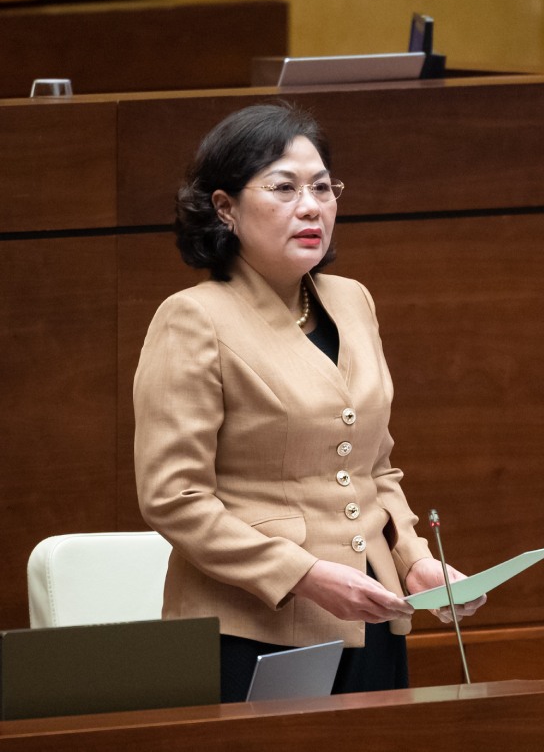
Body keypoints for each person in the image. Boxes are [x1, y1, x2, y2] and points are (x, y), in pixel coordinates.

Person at [134, 102, 484, 701]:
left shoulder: (352, 301)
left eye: (322, 188)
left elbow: (374, 468)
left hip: (373, 612)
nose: (311, 206)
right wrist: (304, 574)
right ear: (225, 208)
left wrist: (414, 561)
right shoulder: (192, 318)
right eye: (284, 188)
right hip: (254, 627)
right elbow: (174, 497)